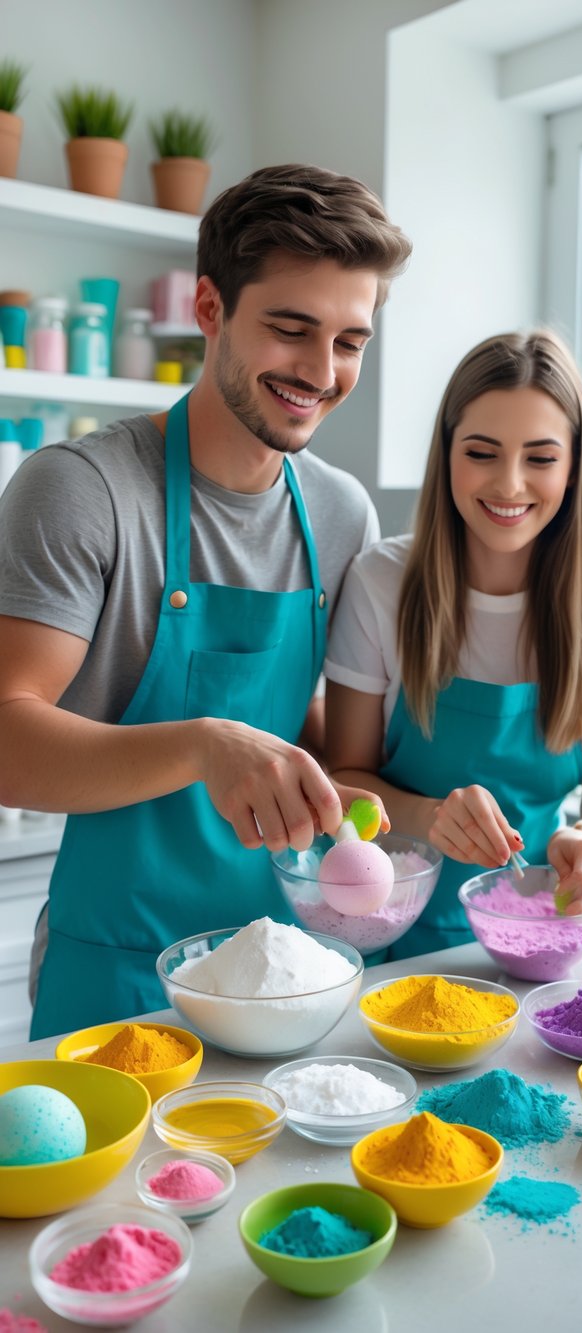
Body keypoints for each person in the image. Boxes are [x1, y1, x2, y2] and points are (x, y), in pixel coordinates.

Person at [0, 163, 412, 1037]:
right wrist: (203, 746)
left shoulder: (341, 514)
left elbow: (314, 733)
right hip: (119, 972)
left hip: (288, 969)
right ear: (209, 308)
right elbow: (7, 738)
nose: (321, 371)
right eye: (291, 328)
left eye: (351, 341)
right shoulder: (82, 489)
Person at [324, 329, 582, 957]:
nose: (510, 485)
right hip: (390, 929)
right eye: (481, 452)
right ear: (447, 454)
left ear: (573, 467)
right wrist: (428, 815)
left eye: (540, 458)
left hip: (540, 932)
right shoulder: (382, 582)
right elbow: (347, 773)